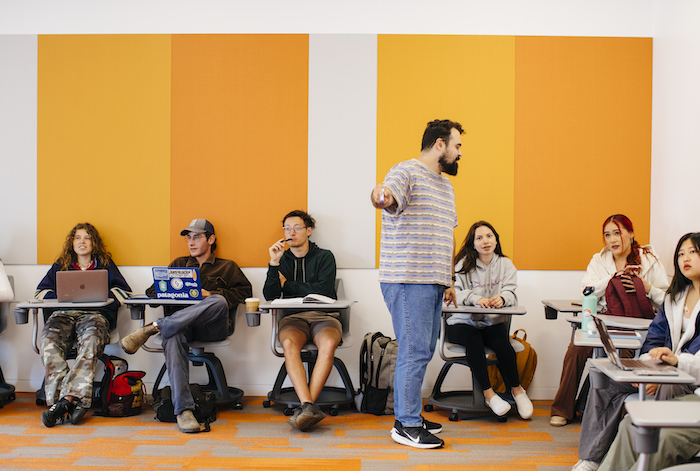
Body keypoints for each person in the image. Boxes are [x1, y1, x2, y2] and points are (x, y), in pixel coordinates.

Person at [572, 232, 700, 471]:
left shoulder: (651, 269)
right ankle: (591, 458)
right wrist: (645, 368)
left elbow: (695, 355)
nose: (685, 258)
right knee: (604, 381)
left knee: (665, 387)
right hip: (661, 368)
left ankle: (651, 432)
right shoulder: (674, 298)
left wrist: (663, 371)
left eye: (693, 252)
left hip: (684, 376)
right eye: (681, 253)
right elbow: (654, 337)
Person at [370, 119, 463, 449]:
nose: (459, 153)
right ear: (440, 145)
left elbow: (447, 235)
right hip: (408, 278)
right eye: (457, 146)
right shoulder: (406, 171)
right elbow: (386, 196)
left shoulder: (446, 186)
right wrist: (380, 196)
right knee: (414, 351)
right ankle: (405, 424)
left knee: (421, 351)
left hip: (434, 280)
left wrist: (449, 279)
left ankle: (410, 415)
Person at [120, 218, 252, 433]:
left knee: (218, 302)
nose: (191, 242)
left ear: (211, 239)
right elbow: (152, 292)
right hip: (180, 327)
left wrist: (212, 294)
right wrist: (174, 291)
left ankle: (156, 326)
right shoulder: (179, 264)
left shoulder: (227, 267)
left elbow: (245, 292)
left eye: (197, 237)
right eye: (188, 238)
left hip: (213, 328)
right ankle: (184, 412)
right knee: (173, 336)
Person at [550, 214, 669, 427]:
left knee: (620, 357)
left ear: (631, 234)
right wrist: (614, 277)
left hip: (636, 326)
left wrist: (646, 288)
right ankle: (562, 409)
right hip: (603, 322)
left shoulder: (649, 260)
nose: (613, 239)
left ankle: (606, 414)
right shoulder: (599, 259)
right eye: (607, 235)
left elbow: (668, 300)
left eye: (618, 233)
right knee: (576, 350)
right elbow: (586, 291)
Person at [36, 222, 131, 427]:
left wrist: (102, 296)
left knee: (91, 342)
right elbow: (40, 293)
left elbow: (124, 292)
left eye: (87, 238)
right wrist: (60, 296)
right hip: (63, 316)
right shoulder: (60, 265)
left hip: (95, 316)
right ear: (72, 243)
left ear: (94, 243)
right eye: (78, 238)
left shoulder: (105, 264)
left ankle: (64, 402)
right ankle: (70, 400)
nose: (82, 242)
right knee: (48, 342)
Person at [448, 221, 534, 419]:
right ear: (473, 243)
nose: (485, 241)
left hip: (490, 322)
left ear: (496, 240)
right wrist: (476, 299)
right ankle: (489, 394)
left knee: (501, 342)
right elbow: (457, 293)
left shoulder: (506, 264)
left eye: (489, 236)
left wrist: (502, 298)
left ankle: (517, 390)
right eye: (479, 238)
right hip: (461, 323)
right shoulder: (461, 264)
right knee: (473, 339)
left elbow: (511, 292)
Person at [263, 210, 339, 432]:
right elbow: (270, 295)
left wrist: (288, 286)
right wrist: (274, 263)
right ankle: (309, 407)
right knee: (288, 344)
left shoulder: (325, 257)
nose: (291, 232)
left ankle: (307, 407)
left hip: (324, 316)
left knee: (328, 343)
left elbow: (326, 291)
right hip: (293, 318)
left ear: (308, 231)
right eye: (287, 228)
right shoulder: (282, 260)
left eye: (296, 228)